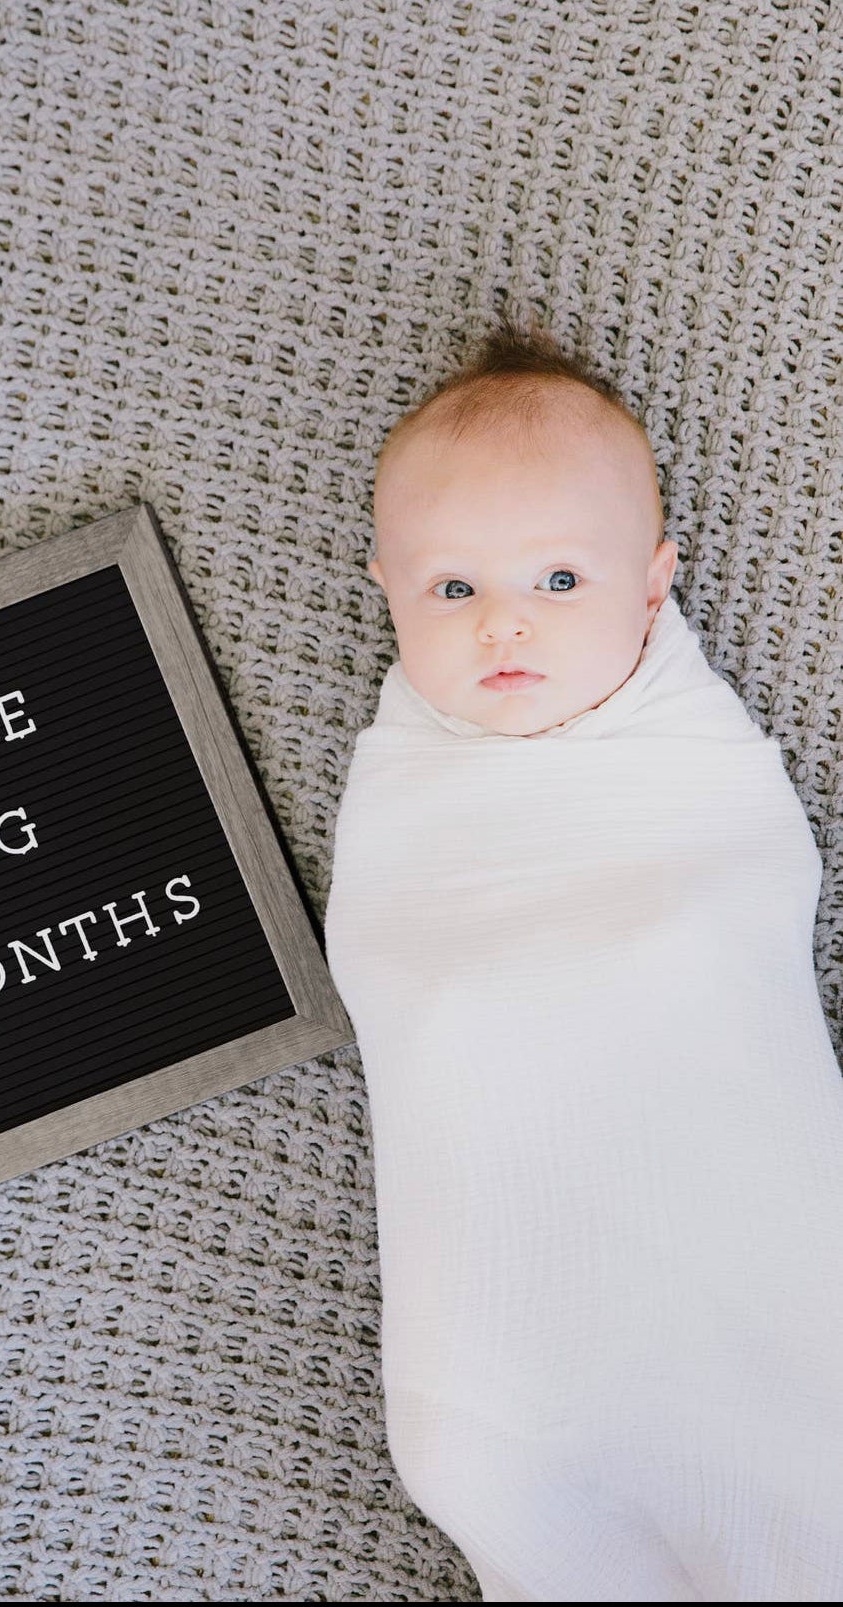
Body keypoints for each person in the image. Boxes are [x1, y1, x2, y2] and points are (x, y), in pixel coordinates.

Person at [324, 312, 843, 1601]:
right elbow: (405, 968)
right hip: (510, 1327)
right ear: (388, 587)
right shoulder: (406, 793)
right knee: (494, 1458)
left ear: (655, 583)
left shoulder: (688, 761)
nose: (507, 626)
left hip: (745, 1280)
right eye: (456, 588)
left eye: (561, 581)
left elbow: (732, 906)